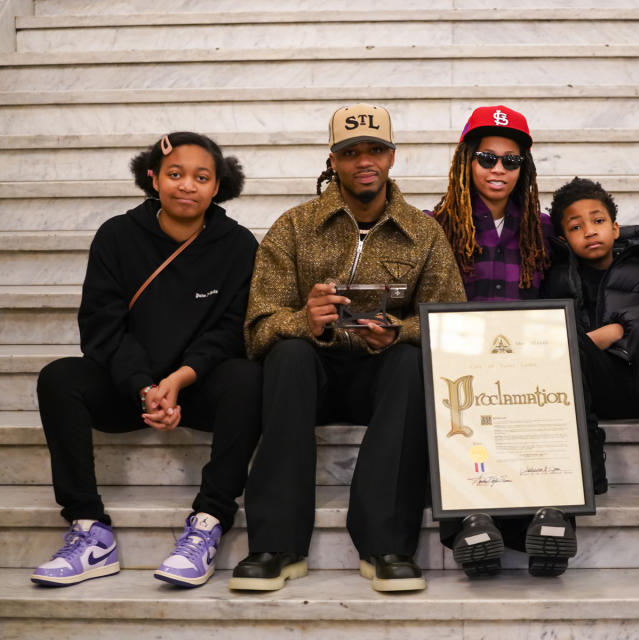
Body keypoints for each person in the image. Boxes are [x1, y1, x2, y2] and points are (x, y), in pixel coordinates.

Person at [231, 103, 465, 593]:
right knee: (288, 353)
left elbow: (450, 327)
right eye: (351, 151)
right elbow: (257, 330)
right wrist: (305, 321)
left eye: (375, 150)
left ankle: (387, 546)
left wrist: (398, 332)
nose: (365, 161)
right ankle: (275, 546)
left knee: (408, 361)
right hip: (308, 378)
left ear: (392, 157)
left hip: (380, 378)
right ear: (332, 160)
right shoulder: (294, 226)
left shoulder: (423, 233)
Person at [31, 132, 262, 588]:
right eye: (174, 174)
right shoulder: (117, 236)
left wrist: (179, 378)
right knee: (59, 378)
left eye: (201, 177)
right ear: (153, 178)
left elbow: (231, 331)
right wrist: (142, 385)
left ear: (218, 186)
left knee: (250, 376)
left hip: (196, 389)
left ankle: (209, 520)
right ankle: (89, 530)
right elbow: (102, 328)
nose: (187, 186)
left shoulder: (238, 245)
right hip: (127, 390)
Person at [428, 105, 579, 579]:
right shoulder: (436, 225)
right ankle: (469, 522)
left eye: (510, 161)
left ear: (524, 168)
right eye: (487, 159)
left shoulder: (544, 227)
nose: (498, 170)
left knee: (548, 399)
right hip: (459, 359)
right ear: (465, 162)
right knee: (452, 408)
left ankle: (549, 517)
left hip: (525, 363)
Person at [544, 177, 639, 501]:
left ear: (615, 227)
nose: (590, 231)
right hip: (593, 388)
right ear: (564, 238)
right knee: (564, 334)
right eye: (576, 227)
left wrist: (618, 327)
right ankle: (587, 456)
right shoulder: (557, 277)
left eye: (599, 221)